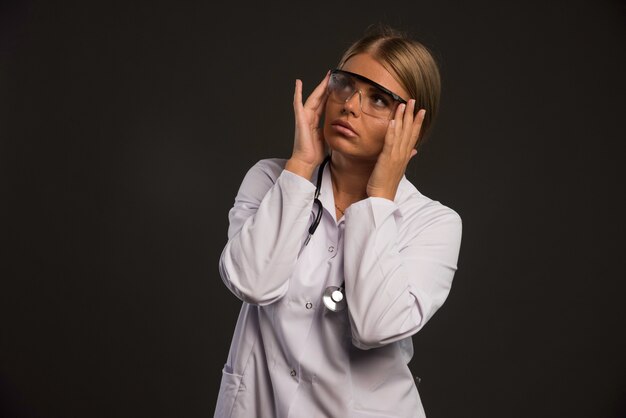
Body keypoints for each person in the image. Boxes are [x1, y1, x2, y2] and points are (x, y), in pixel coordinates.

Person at [214, 25, 462, 418]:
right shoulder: (270, 180)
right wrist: (300, 167)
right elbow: (251, 283)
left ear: (413, 125)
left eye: (379, 100)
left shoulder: (432, 223)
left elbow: (375, 327)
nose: (350, 105)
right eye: (345, 85)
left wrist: (379, 198)